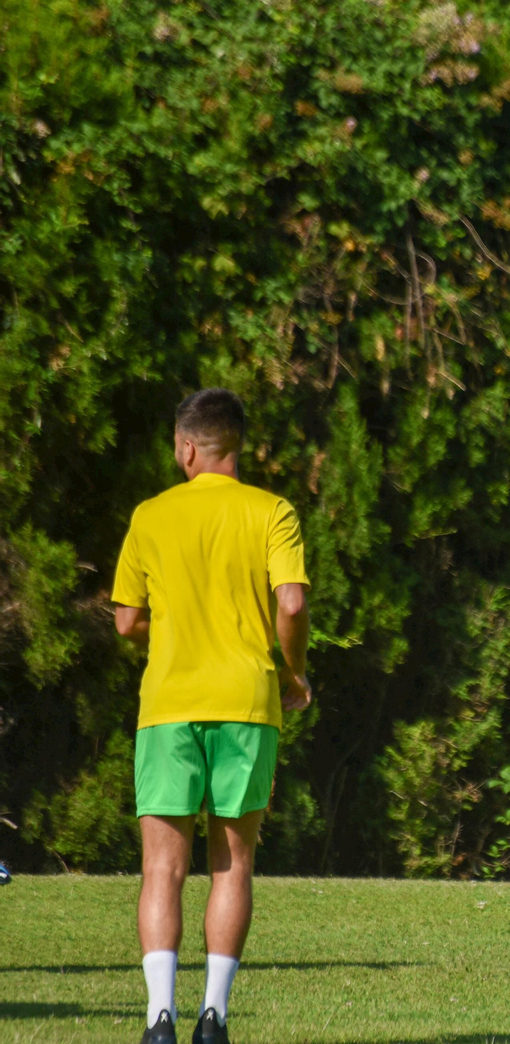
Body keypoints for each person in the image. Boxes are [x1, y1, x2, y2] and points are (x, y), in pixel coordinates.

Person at [112, 389, 312, 1044]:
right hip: (247, 706)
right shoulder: (272, 511)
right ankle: (214, 1018)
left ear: (188, 447)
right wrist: (293, 671)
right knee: (233, 864)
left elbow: (125, 621)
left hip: (168, 707)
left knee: (162, 869)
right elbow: (290, 603)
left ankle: (159, 1018)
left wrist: (170, 633)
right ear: (237, 445)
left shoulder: (150, 515)